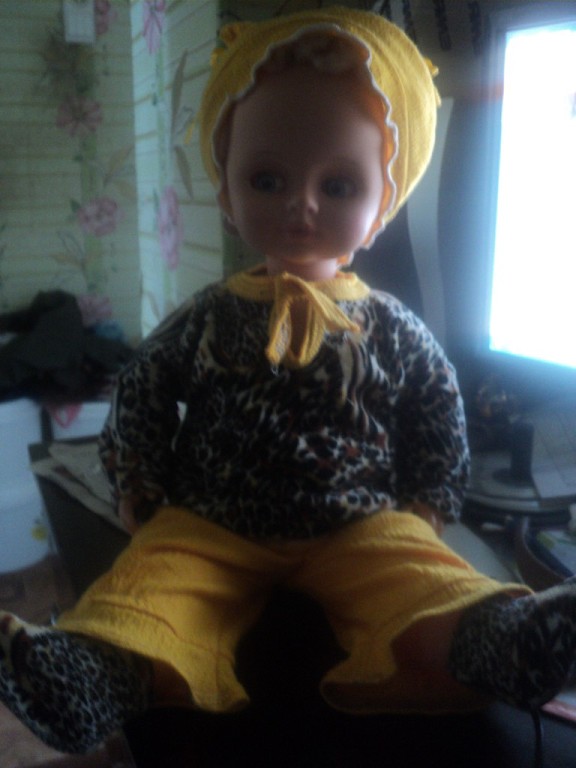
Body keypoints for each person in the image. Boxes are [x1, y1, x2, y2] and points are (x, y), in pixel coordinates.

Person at [1, 6, 576, 755]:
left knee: (426, 579)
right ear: (228, 193)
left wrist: (430, 498)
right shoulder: (210, 314)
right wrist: (137, 478)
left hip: (359, 521)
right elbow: (145, 385)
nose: (301, 204)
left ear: (380, 208)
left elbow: (437, 406)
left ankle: (502, 642)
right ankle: (96, 671)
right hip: (211, 520)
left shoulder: (391, 326)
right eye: (267, 178)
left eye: (338, 185)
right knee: (150, 585)